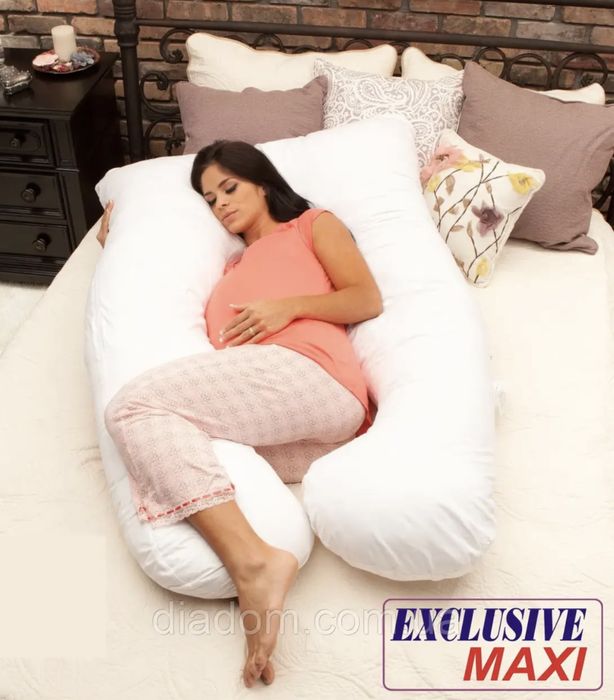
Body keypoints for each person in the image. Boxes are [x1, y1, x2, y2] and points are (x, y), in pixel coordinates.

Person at [97, 140, 383, 689]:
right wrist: (117, 250)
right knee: (179, 447)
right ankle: (257, 567)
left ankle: (253, 563)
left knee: (133, 407)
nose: (221, 204)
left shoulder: (310, 225)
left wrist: (289, 308)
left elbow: (366, 298)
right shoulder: (229, 265)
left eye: (229, 188)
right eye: (210, 199)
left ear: (262, 182)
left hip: (309, 372)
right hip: (301, 425)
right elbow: (148, 289)